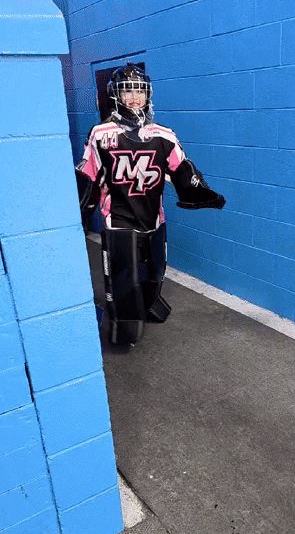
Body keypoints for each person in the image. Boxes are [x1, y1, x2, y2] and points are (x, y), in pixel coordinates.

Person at [75, 61, 225, 345]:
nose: (133, 98)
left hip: (155, 221)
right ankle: (126, 324)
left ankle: (147, 303)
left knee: (155, 275)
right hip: (118, 222)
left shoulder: (163, 135)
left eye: (139, 92)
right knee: (123, 283)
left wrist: (202, 193)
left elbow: (182, 170)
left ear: (148, 95)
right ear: (116, 95)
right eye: (126, 91)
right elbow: (88, 175)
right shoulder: (100, 134)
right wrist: (80, 210)